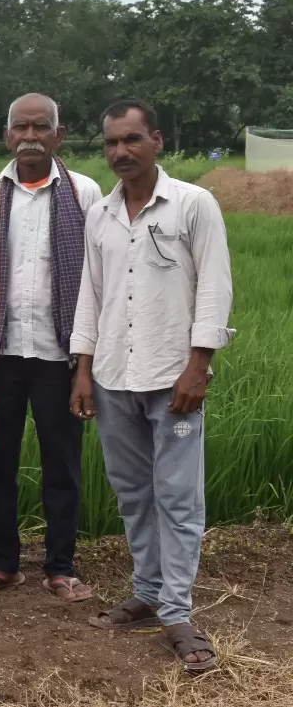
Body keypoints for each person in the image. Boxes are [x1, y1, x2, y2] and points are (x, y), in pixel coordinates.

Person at [71, 99, 234, 674]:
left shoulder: (193, 205)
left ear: (157, 141)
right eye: (112, 142)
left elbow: (214, 288)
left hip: (172, 377)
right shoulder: (101, 215)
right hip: (114, 374)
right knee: (133, 493)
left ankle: (178, 611)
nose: (121, 152)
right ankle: (146, 591)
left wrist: (199, 366)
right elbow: (91, 295)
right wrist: (83, 370)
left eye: (132, 140)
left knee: (178, 497)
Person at [0, 94, 102, 604]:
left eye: (41, 127)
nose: (30, 136)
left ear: (59, 136)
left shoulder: (84, 192)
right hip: (0, 352)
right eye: (20, 127)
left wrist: (85, 360)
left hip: (58, 354)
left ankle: (61, 565)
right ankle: (2, 563)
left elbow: (94, 278)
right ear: (6, 136)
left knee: (62, 463)